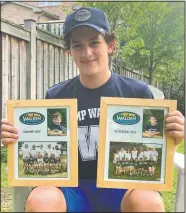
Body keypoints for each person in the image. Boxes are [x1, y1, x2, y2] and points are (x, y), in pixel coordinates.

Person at [1, 6, 184, 212]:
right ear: (68, 51)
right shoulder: (56, 96)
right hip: (72, 189)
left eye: (94, 43)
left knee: (147, 201)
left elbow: (153, 154)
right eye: (77, 45)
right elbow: (44, 152)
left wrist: (172, 140)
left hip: (122, 188)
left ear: (110, 45)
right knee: (41, 200)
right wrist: (17, 139)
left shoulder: (137, 92)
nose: (86, 53)